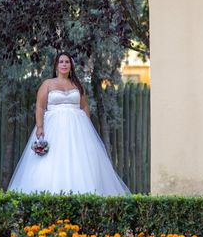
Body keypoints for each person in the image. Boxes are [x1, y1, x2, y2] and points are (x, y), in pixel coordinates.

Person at [8, 52, 130, 196]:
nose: (64, 64)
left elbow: (84, 106)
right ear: (56, 66)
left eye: (67, 62)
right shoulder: (47, 84)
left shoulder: (77, 85)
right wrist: (40, 127)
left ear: (71, 66)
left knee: (81, 162)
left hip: (77, 129)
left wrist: (87, 126)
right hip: (53, 127)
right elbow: (40, 106)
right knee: (51, 161)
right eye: (61, 62)